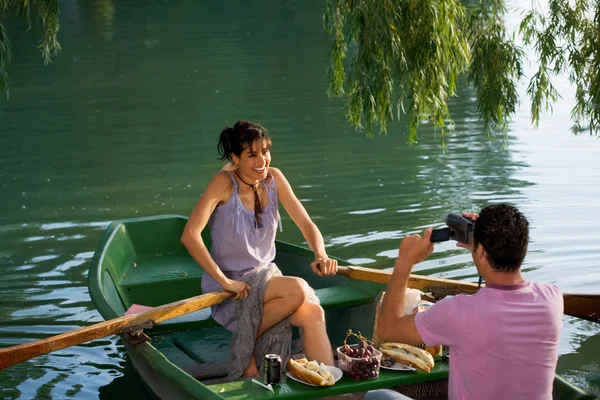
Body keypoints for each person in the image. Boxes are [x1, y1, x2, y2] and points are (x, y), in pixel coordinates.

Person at [181, 120, 338, 379]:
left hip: (268, 280)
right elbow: (190, 236)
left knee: (314, 313)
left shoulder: (274, 179)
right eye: (252, 154)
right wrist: (224, 282)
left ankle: (330, 391)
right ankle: (247, 348)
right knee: (298, 288)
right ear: (235, 158)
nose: (262, 159)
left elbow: (306, 223)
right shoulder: (223, 182)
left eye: (265, 151)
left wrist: (320, 253)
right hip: (234, 287)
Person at [372, 204, 563, 399]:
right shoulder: (552, 299)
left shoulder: (458, 312)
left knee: (378, 396)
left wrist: (404, 263)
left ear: (480, 252)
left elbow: (387, 329)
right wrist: (485, 244)